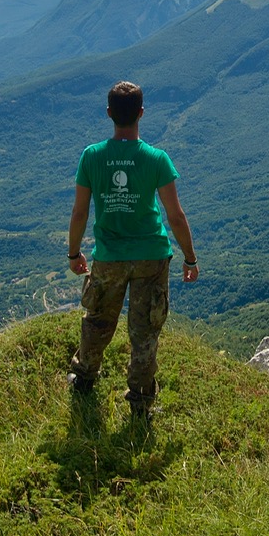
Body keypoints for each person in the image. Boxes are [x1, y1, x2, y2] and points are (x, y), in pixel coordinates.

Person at [66, 81, 197, 418]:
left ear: (109, 113)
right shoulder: (156, 159)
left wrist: (74, 253)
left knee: (97, 321)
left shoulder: (92, 156)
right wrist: (190, 258)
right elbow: (175, 216)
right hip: (152, 256)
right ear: (141, 113)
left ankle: (83, 378)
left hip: (109, 256)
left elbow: (79, 212)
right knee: (144, 330)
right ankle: (140, 401)